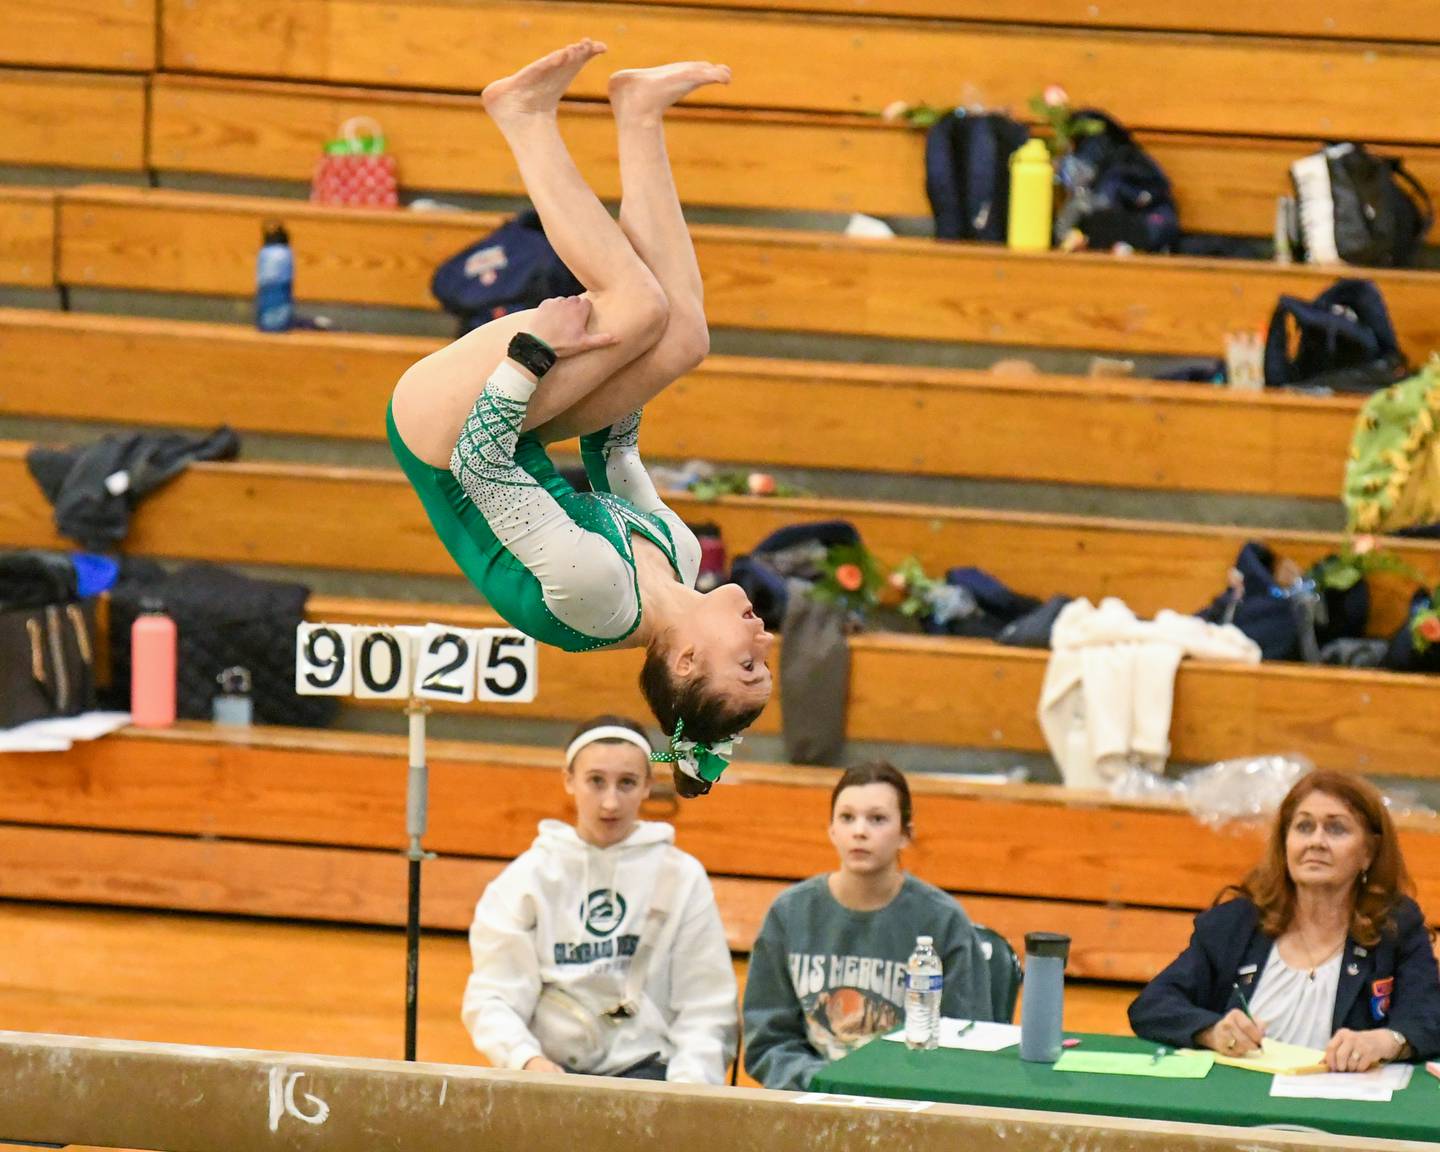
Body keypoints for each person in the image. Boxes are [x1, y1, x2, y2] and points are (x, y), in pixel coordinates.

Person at [388, 42, 771, 795]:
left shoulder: (600, 596)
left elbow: (480, 467)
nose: (763, 636)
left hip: (441, 439)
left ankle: (524, 116)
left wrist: (536, 357)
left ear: (686, 662)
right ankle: (638, 112)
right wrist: (638, 370)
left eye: (749, 662)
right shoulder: (681, 556)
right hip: (504, 430)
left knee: (637, 309)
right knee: (683, 336)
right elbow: (612, 453)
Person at [461, 715, 738, 1082]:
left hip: (654, 1073)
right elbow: (494, 997)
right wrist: (526, 1061)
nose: (610, 802)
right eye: (596, 781)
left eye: (626, 783)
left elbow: (707, 1007)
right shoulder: (526, 880)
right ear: (568, 780)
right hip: (548, 1074)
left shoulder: (681, 877)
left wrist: (685, 1093)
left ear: (647, 787)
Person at [1129, 770, 1440, 1071]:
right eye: (1304, 827)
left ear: (1369, 852)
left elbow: (1429, 1017)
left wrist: (1386, 1041)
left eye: (1336, 829)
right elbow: (1153, 1005)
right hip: (1240, 1106)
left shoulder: (1395, 927)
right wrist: (1211, 1031)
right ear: (1285, 843)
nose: (1316, 842)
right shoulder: (1235, 923)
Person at [742, 763, 993, 1090]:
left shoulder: (943, 921)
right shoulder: (789, 914)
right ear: (831, 830)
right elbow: (768, 1040)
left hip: (909, 1107)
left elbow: (969, 1041)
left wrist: (894, 1087)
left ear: (905, 833)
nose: (859, 831)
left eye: (877, 819)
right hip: (811, 1102)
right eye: (847, 818)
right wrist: (823, 1084)